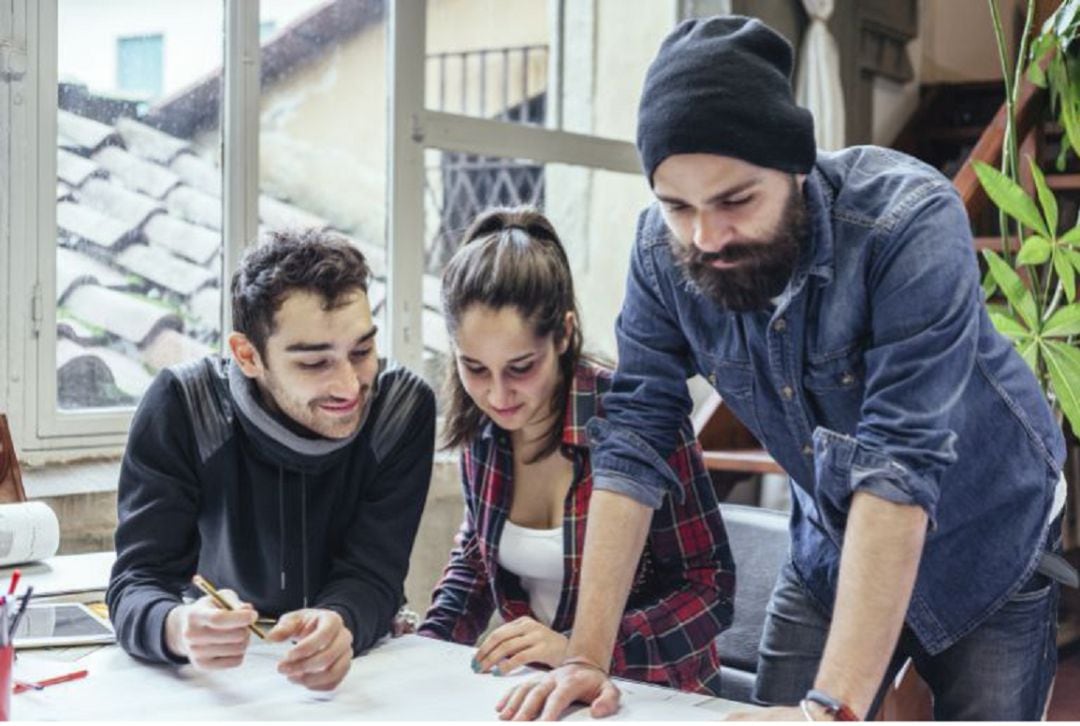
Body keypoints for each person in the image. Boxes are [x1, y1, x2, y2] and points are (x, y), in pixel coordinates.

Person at [496, 15, 1074, 722]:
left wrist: (829, 708)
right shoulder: (660, 250)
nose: (706, 237)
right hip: (831, 539)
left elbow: (898, 463)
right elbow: (635, 439)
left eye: (736, 200)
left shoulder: (907, 223)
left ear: (796, 168)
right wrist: (585, 655)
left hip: (988, 532)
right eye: (678, 205)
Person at [417, 208, 734, 698]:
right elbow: (476, 562)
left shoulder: (636, 416)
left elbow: (709, 589)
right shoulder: (483, 429)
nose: (498, 395)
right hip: (546, 690)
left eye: (521, 367)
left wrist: (582, 649)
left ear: (563, 334)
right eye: (475, 368)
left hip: (652, 694)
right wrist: (426, 649)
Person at [106, 229, 436, 691]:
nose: (348, 386)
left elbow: (374, 571)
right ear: (247, 355)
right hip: (220, 679)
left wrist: (340, 621)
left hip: (359, 673)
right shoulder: (183, 406)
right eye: (314, 363)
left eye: (362, 352)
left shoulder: (401, 410)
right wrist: (178, 627)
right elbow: (137, 581)